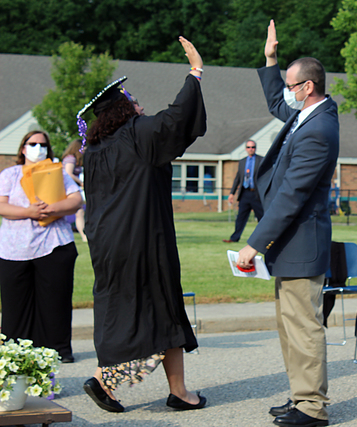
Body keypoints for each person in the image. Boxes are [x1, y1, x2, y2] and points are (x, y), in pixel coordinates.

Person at [78, 36, 207, 413]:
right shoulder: (136, 135)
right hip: (142, 241)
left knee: (153, 309)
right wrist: (195, 73)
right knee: (151, 309)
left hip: (108, 246)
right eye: (135, 102)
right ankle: (104, 381)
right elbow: (175, 118)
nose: (141, 106)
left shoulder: (94, 153)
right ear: (123, 111)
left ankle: (180, 391)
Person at [236, 20, 338, 427]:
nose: (287, 93)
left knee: (304, 328)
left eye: (292, 86)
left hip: (300, 242)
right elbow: (278, 105)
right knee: (290, 327)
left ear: (307, 88)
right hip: (290, 245)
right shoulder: (306, 115)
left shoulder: (319, 129)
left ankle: (312, 407)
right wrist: (271, 60)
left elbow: (292, 195)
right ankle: (300, 398)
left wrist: (254, 243)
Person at [0, 130, 83, 364]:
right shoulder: (9, 174)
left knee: (55, 300)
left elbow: (76, 200)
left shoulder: (58, 173)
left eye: (43, 144)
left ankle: (58, 350)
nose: (39, 148)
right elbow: (1, 204)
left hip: (54, 245)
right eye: (33, 144)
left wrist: (52, 210)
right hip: (14, 249)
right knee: (15, 304)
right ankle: (15, 352)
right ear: (23, 148)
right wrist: (29, 212)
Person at [223, 140, 263, 242]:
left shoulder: (261, 160)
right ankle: (234, 238)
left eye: (253, 147)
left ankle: (265, 239)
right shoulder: (242, 162)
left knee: (262, 218)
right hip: (244, 193)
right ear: (246, 149)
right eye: (249, 147)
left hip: (256, 194)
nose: (251, 149)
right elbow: (238, 178)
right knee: (240, 218)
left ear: (255, 148)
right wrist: (232, 193)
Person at [62, 139, 87, 242]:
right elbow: (68, 174)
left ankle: (84, 235)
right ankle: (84, 236)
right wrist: (81, 183)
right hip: (66, 189)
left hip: (71, 189)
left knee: (79, 212)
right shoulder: (70, 159)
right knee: (79, 212)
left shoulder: (74, 159)